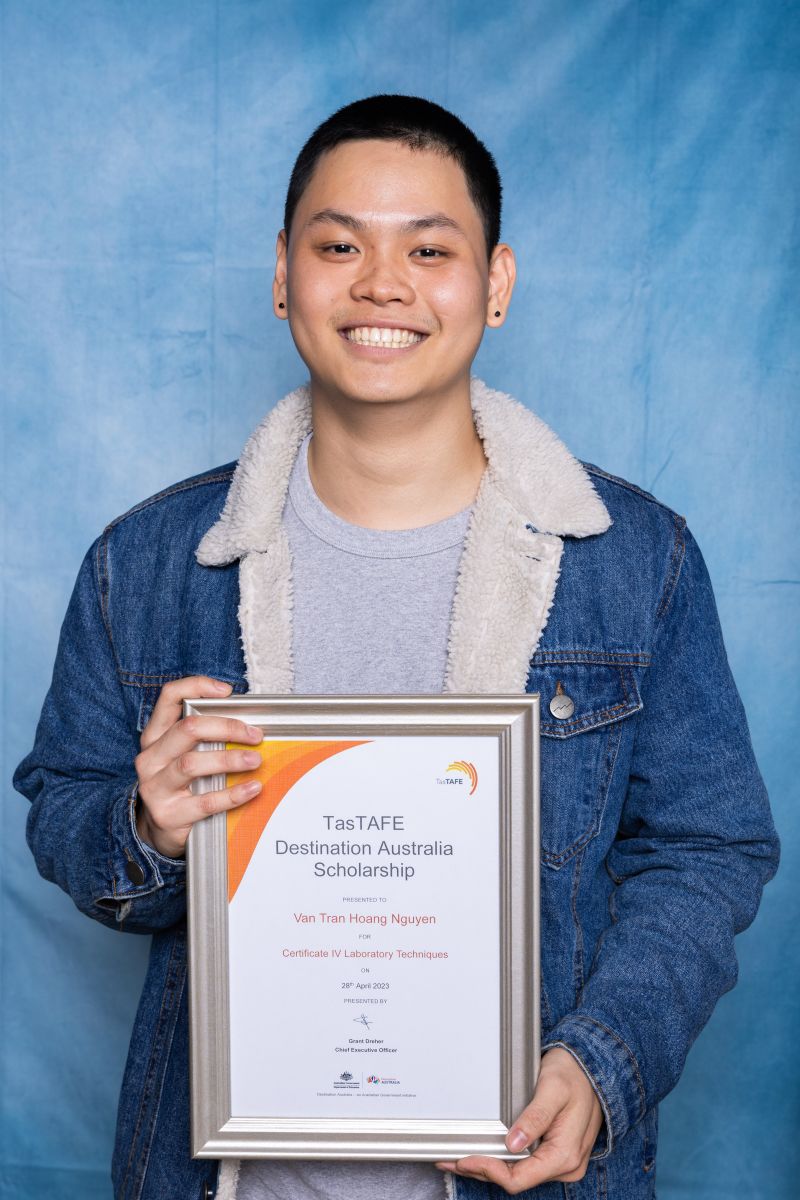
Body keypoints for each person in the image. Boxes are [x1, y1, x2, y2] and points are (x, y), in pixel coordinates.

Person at [14, 94, 778, 1200]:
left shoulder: (632, 560)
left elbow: (705, 850)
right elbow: (65, 816)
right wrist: (144, 824)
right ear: (283, 273)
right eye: (338, 246)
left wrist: (604, 1058)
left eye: (428, 247)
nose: (382, 284)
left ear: (494, 283)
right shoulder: (148, 563)